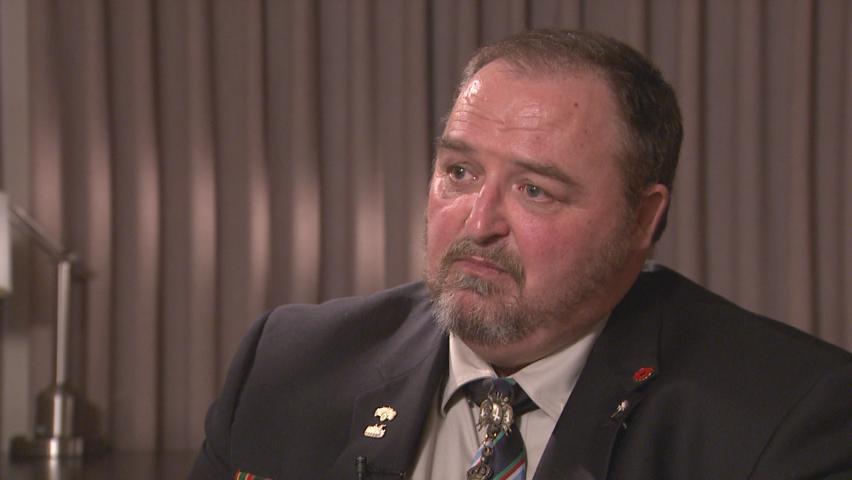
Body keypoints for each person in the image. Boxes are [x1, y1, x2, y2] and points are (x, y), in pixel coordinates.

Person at [189, 29, 852, 480]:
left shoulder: (788, 416)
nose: (478, 223)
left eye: (535, 190)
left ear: (642, 217)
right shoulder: (288, 364)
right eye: (459, 173)